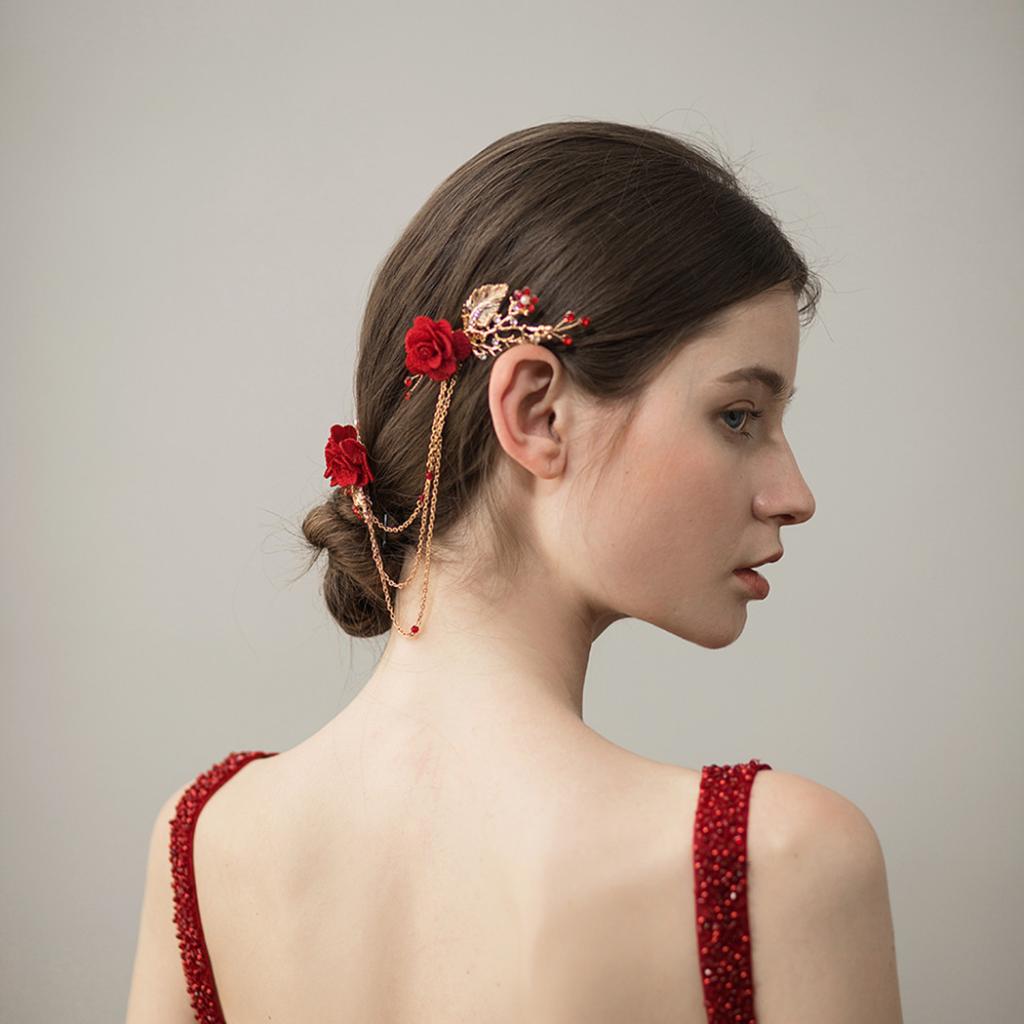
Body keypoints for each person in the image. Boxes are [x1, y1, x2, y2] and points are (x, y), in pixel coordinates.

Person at [126, 119, 903, 1022]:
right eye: (738, 416)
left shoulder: (204, 841)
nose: (794, 495)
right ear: (537, 412)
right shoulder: (772, 860)